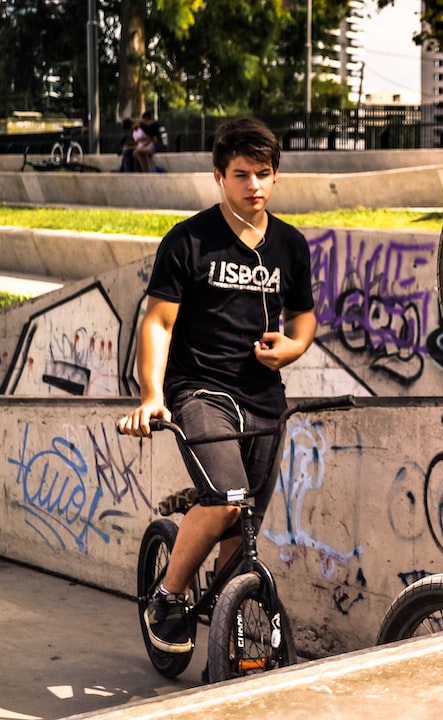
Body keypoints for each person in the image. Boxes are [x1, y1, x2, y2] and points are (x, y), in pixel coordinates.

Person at [118, 117, 316, 653]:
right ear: (218, 177)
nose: (254, 185)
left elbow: (305, 319)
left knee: (240, 530)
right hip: (200, 389)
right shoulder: (189, 240)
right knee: (228, 500)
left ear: (275, 178)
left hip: (264, 400)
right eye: (241, 174)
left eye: (264, 174)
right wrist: (152, 395)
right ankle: (169, 594)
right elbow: (158, 322)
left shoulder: (291, 246)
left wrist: (293, 348)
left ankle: (226, 653)